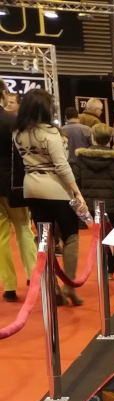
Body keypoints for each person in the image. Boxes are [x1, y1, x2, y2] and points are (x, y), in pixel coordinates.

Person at [14, 88, 89, 306]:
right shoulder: (51, 133)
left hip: (31, 188)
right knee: (71, 235)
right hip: (56, 189)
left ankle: (53, 287)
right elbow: (62, 166)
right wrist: (77, 192)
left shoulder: (18, 133)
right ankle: (69, 286)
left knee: (44, 238)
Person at [74, 124, 114, 275]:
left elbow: (76, 180)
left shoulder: (81, 159)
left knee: (101, 236)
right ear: (110, 138)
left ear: (92, 137)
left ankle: (108, 267)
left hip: (92, 204)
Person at [0, 83, 36, 302]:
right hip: (13, 185)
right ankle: (33, 275)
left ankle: (9, 286)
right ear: (3, 93)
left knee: (1, 237)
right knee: (24, 229)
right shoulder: (12, 121)